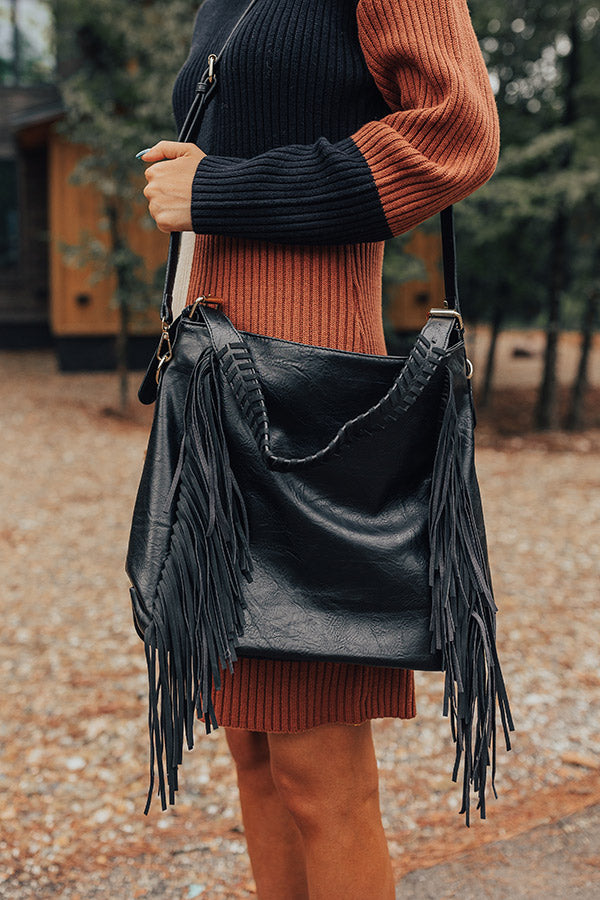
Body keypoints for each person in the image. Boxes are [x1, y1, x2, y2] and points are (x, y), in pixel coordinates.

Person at [139, 1, 499, 897]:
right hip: (216, 387)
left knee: (318, 771)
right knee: (257, 758)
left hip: (304, 397)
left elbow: (458, 132)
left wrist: (219, 191)